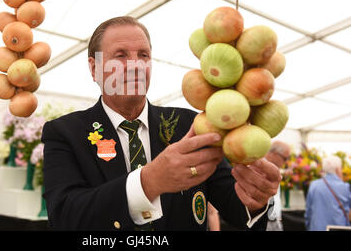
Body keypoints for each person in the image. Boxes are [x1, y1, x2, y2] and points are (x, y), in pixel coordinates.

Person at [41, 16, 280, 230]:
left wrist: (256, 201)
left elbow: (236, 208)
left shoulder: (192, 125)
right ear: (94, 68)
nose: (135, 65)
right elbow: (64, 217)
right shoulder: (65, 132)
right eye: (120, 55)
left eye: (143, 55)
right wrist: (149, 181)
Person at [305, 155, 351, 231]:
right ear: (337, 170)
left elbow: (308, 212)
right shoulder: (345, 187)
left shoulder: (314, 185)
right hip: (338, 228)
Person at [264, 140, 291, 231]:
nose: (286, 162)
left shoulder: (273, 169)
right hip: (265, 221)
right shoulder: (260, 168)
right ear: (275, 154)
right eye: (285, 158)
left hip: (272, 220)